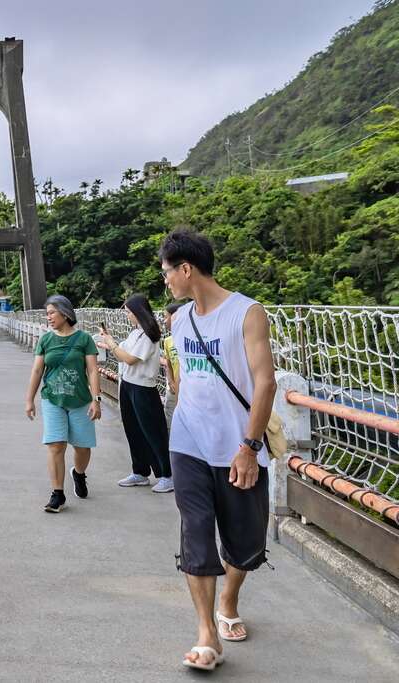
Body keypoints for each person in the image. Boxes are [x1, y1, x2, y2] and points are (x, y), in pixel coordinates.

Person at [159, 229, 276, 671]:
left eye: (167, 273)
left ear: (186, 269)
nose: (166, 281)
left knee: (244, 540)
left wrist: (248, 447)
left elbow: (265, 382)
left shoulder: (247, 313)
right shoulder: (180, 319)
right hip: (188, 441)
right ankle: (207, 633)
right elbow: (188, 376)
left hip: (238, 446)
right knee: (195, 530)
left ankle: (229, 598)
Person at [24, 294, 102, 512]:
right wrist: (29, 399)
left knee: (83, 447)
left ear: (65, 313)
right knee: (56, 446)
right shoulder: (46, 340)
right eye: (46, 314)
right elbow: (37, 370)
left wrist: (96, 400)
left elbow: (93, 370)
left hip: (80, 401)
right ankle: (57, 494)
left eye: (51, 313)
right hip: (53, 399)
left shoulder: (84, 339)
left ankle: (78, 473)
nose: (48, 317)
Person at [97, 294, 173, 493]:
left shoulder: (149, 335)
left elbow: (129, 359)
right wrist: (110, 340)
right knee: (133, 430)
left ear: (139, 312)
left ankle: (167, 474)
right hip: (128, 385)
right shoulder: (135, 333)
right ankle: (140, 471)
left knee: (153, 432)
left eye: (129, 312)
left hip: (143, 388)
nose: (128, 316)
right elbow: (121, 354)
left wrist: (111, 342)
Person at [162, 302, 184, 426]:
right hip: (173, 388)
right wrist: (170, 381)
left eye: (166, 317)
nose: (164, 321)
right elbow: (169, 364)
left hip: (187, 389)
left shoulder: (189, 339)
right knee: (170, 417)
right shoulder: (168, 341)